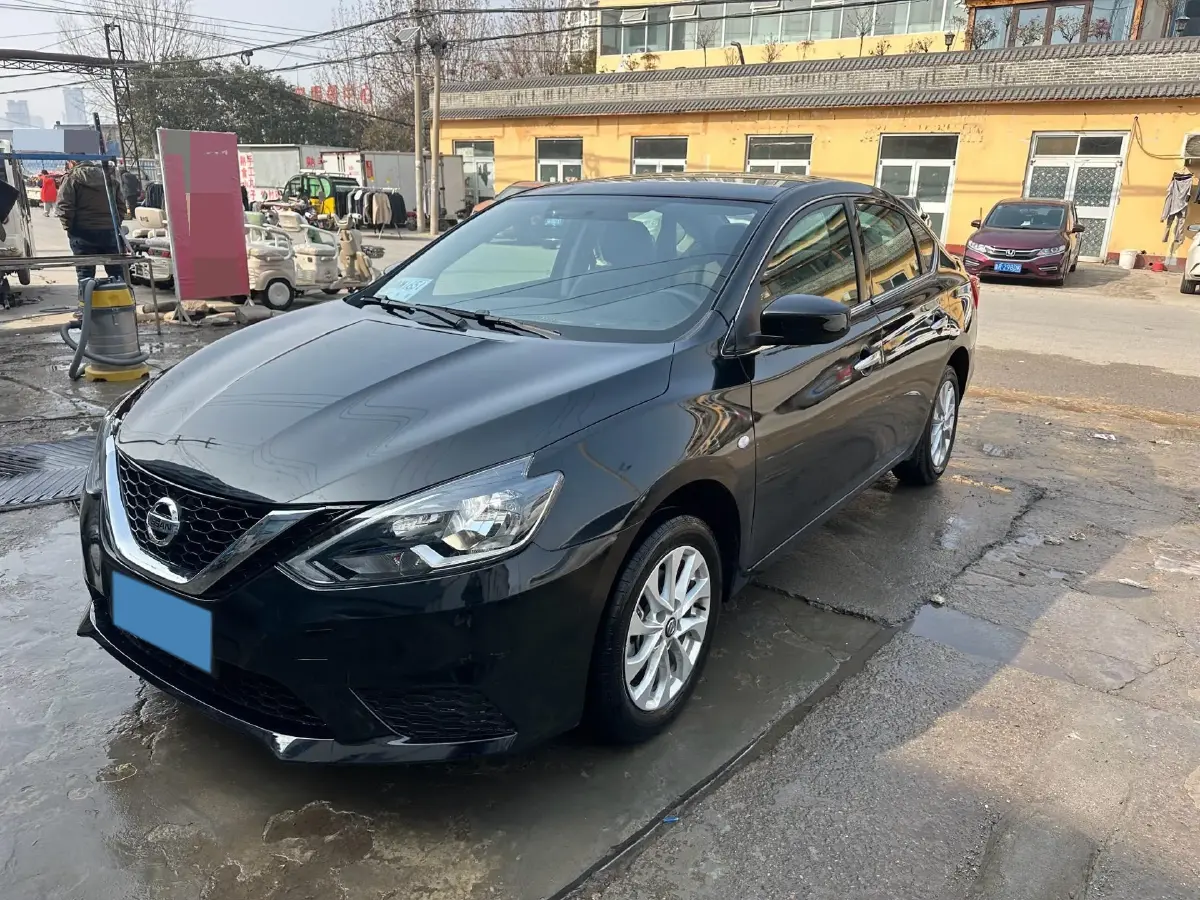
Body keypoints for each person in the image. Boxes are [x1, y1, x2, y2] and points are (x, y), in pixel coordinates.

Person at [57, 161, 129, 287]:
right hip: (109, 231)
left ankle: (87, 304)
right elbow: (121, 206)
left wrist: (70, 228)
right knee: (117, 273)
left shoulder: (71, 178)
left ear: (72, 162)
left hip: (82, 232)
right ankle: (122, 303)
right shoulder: (109, 178)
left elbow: (64, 207)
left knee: (85, 274)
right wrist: (113, 224)